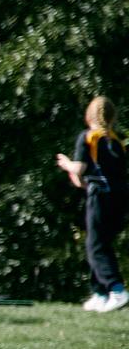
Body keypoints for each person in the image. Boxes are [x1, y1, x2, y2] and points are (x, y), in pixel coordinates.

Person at [55, 96, 126, 312]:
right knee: (102, 243)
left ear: (89, 116)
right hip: (120, 198)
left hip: (100, 197)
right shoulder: (117, 141)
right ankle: (100, 293)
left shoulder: (88, 137)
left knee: (95, 246)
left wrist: (67, 164)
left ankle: (116, 289)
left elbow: (80, 169)